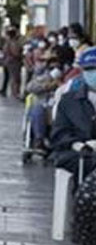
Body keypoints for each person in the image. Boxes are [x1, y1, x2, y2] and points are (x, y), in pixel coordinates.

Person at [51, 48, 96, 178]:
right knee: (84, 163)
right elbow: (59, 134)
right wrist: (78, 145)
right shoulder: (69, 101)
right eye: (89, 70)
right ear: (82, 72)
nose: (94, 73)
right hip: (76, 153)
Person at [0, 27, 25, 100]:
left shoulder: (7, 42)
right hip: (14, 62)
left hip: (8, 62)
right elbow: (15, 53)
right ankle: (15, 93)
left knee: (12, 77)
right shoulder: (13, 43)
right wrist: (21, 55)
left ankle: (14, 92)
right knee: (15, 78)